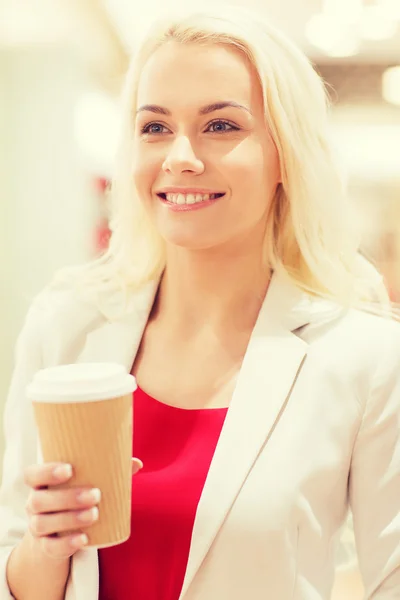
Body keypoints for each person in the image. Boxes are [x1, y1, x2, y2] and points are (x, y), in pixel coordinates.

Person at [1, 6, 400, 600]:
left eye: (220, 126)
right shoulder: (66, 324)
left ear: (285, 154)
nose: (179, 156)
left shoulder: (363, 358)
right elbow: (16, 566)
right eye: (155, 127)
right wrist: (46, 546)